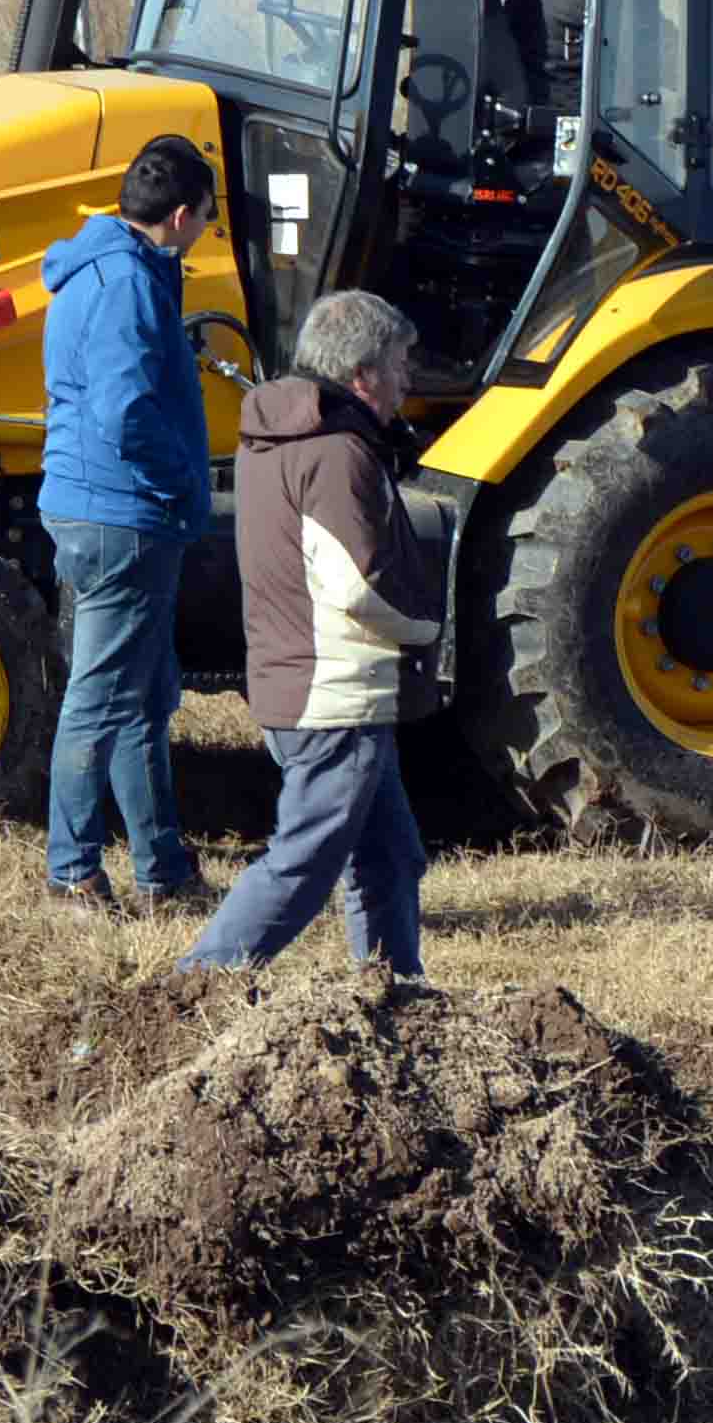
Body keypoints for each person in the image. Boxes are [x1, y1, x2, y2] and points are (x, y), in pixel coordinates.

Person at [179, 290, 441, 977]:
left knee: (390, 857)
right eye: (400, 364)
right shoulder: (337, 453)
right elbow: (357, 584)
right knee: (305, 862)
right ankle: (198, 986)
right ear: (363, 373)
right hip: (334, 696)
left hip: (299, 680)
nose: (407, 380)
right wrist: (428, 628)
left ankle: (396, 995)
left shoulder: (277, 440)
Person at [39, 131, 219, 912]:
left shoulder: (104, 267)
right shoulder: (127, 286)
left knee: (140, 697)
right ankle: (72, 873)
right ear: (178, 216)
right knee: (100, 699)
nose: (206, 232)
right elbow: (125, 413)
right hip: (123, 518)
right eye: (206, 219)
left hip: (97, 510)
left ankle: (164, 873)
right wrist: (183, 483)